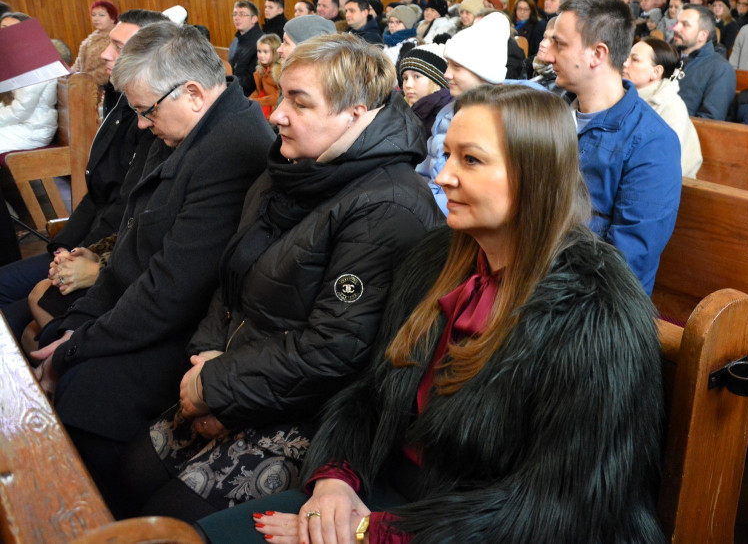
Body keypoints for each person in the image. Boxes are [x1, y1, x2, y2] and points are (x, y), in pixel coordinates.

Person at [196, 85, 665, 544]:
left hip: (483, 524)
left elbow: (566, 505)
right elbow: (372, 392)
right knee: (201, 536)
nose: (441, 176)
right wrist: (336, 477)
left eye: (471, 160)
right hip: (388, 490)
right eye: (447, 154)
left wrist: (373, 533)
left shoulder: (596, 310)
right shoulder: (438, 259)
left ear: (533, 174)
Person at [118, 33, 441, 521]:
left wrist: (217, 384)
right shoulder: (288, 167)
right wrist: (209, 354)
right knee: (129, 472)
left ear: (355, 112)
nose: (276, 114)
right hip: (240, 370)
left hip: (315, 411)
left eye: (299, 102)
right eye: (283, 95)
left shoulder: (390, 205)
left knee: (173, 519)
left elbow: (336, 349)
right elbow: (230, 277)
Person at [30, 21, 275, 510]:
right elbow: (130, 249)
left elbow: (173, 290)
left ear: (192, 93)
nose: (141, 124)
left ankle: (98, 519)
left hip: (194, 329)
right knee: (54, 336)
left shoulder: (232, 146)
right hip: (153, 304)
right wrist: (76, 329)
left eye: (146, 111)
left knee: (87, 392)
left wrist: (77, 347)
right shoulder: (184, 131)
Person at [0, 9, 167, 343]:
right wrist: (62, 246)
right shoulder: (122, 102)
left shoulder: (154, 119)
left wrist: (89, 258)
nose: (105, 53)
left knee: (17, 306)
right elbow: (97, 190)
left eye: (118, 47)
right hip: (89, 246)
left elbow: (129, 207)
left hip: (109, 256)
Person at [550, 0, 681, 294]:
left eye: (561, 44)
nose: (549, 55)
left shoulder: (652, 142)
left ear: (597, 54)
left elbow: (627, 263)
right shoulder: (552, 115)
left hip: (597, 306)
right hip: (539, 280)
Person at [417, 13, 508, 212]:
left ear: (482, 72)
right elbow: (425, 169)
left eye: (456, 67)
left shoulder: (499, 120)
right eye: (448, 65)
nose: (446, 74)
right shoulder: (447, 111)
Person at [622, 37, 702, 177]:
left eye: (634, 60)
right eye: (626, 57)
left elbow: (661, 162)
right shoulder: (619, 95)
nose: (624, 63)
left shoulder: (672, 107)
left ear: (656, 72)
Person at [0, 15, 58, 153]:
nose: (6, 33)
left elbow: (20, 110)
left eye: (13, 29)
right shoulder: (14, 58)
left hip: (33, 130)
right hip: (18, 124)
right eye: (3, 28)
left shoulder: (36, 64)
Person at [674, 4, 735, 121]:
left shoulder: (720, 69)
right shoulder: (667, 57)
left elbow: (710, 121)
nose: (676, 28)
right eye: (677, 23)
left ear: (702, 35)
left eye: (685, 25)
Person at [398, 43, 450, 138]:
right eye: (405, 78)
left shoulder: (445, 120)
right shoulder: (397, 108)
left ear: (437, 82)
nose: (408, 85)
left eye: (417, 76)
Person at [71, 0, 119, 87]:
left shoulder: (117, 39)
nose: (96, 18)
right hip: (84, 86)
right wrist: (71, 75)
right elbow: (78, 64)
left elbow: (112, 69)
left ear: (112, 18)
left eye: (101, 15)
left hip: (106, 89)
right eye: (93, 15)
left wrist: (85, 81)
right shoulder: (89, 40)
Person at [229, 0, 263, 97]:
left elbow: (252, 82)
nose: (237, 18)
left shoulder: (261, 43)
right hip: (234, 89)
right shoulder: (236, 40)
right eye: (234, 14)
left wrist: (226, 82)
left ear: (254, 19)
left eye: (242, 14)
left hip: (249, 96)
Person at [252, 33, 281, 120]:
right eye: (259, 51)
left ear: (275, 52)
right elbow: (258, 90)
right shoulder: (261, 70)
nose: (261, 55)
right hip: (261, 102)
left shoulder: (277, 72)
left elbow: (278, 97)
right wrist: (248, 99)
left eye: (265, 52)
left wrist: (256, 101)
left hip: (271, 106)